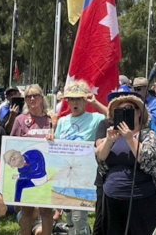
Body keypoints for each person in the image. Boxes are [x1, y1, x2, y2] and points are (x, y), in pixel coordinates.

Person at [95, 90, 156, 235]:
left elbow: (148, 159)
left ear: (139, 112)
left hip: (141, 201)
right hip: (112, 200)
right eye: (119, 110)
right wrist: (109, 140)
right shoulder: (112, 135)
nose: (124, 113)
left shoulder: (148, 135)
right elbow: (100, 157)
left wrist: (130, 138)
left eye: (129, 109)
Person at [53, 80, 106, 234]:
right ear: (67, 102)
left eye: (78, 99)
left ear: (84, 100)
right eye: (71, 99)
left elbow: (113, 115)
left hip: (84, 176)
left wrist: (95, 102)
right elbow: (57, 146)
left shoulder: (95, 118)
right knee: (68, 217)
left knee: (78, 217)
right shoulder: (62, 121)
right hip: (65, 175)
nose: (74, 102)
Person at [9, 84, 53, 235]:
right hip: (27, 171)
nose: (32, 99)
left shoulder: (51, 119)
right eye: (28, 96)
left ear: (42, 98)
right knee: (27, 211)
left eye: (35, 95)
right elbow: (13, 144)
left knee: (47, 211)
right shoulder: (20, 120)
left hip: (45, 172)